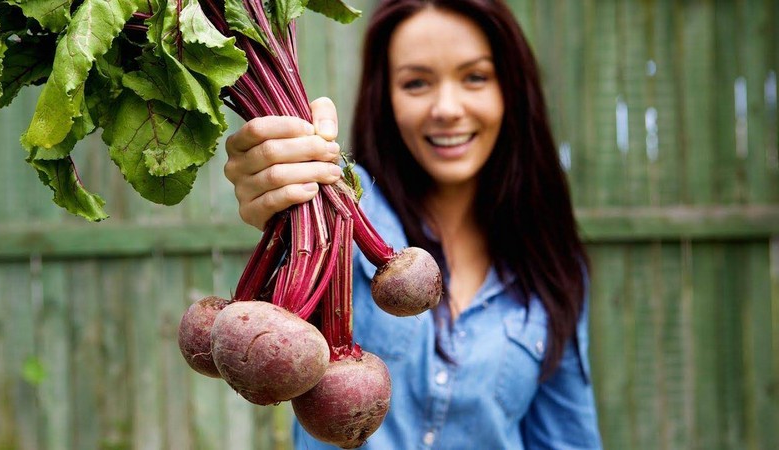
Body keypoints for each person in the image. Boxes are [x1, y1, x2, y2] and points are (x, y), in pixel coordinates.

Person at [224, 0, 603, 448]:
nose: (446, 108)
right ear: (386, 97)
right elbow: (288, 196)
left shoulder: (551, 264)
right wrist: (275, 185)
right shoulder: (336, 203)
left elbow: (565, 438)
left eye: (475, 77)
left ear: (511, 89)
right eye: (417, 82)